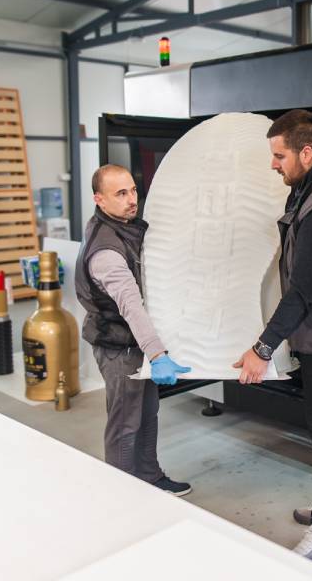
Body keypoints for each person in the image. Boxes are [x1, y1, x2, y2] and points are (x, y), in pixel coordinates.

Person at [234, 109, 312, 562]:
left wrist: (261, 348)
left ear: (306, 152)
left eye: (279, 155)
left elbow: (304, 289)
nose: (273, 164)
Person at [76, 164, 192, 496]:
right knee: (125, 422)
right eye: (121, 194)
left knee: (148, 412)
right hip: (118, 345)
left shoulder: (124, 225)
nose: (131, 200)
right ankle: (124, 494)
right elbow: (131, 304)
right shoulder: (107, 252)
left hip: (134, 341)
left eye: (133, 190)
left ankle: (150, 477)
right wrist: (158, 354)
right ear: (99, 199)